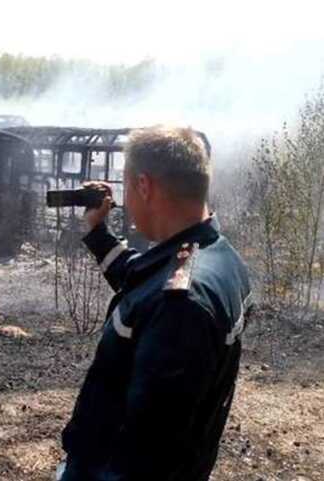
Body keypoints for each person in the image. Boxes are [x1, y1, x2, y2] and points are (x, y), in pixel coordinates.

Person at [58, 126, 251, 481]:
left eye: (127, 185)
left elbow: (148, 452)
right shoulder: (217, 257)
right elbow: (140, 280)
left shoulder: (180, 304)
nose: (126, 199)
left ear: (144, 186)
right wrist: (97, 231)